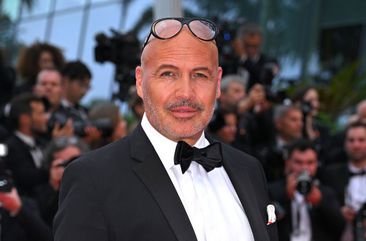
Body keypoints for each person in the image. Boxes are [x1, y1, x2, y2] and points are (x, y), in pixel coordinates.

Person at [54, 17, 278, 241]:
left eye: (200, 75)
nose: (186, 93)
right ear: (140, 82)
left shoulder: (249, 169)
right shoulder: (93, 178)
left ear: (217, 83)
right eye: (168, 74)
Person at [269, 139, 345, 241]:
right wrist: (286, 197)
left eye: (310, 162)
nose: (304, 168)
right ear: (288, 163)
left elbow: (339, 228)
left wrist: (321, 203)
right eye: (298, 162)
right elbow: (267, 226)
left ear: (316, 164)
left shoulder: (326, 192)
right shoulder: (272, 190)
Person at [321, 121, 366, 241]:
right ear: (344, 143)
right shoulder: (330, 174)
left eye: (361, 140)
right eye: (351, 140)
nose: (356, 145)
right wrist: (338, 213)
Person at [4, 93, 49, 197]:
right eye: (41, 114)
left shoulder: (42, 143)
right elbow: (29, 180)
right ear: (24, 119)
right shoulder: (10, 148)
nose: (46, 118)